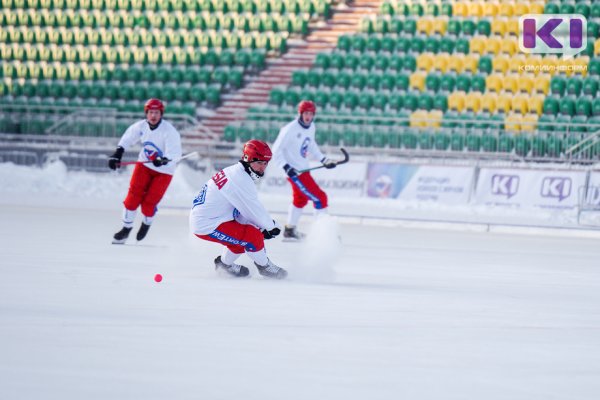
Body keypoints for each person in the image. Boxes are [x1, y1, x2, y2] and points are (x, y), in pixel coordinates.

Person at [189, 139, 287, 279]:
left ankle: (224, 265)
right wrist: (271, 227)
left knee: (242, 237)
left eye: (265, 163)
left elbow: (243, 211)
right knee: (252, 236)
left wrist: (262, 225)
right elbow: (253, 209)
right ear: (247, 159)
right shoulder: (240, 179)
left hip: (211, 219)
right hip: (207, 224)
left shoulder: (235, 172)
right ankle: (265, 267)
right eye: (259, 162)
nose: (263, 167)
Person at [108, 98, 182, 244]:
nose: (153, 116)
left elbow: (175, 153)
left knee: (149, 202)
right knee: (133, 196)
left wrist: (164, 159)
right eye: (150, 112)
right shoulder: (141, 126)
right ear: (146, 113)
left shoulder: (169, 131)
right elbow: (127, 138)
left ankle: (146, 224)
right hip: (144, 165)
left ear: (161, 114)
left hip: (164, 171)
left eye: (156, 112)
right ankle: (126, 229)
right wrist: (118, 154)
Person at [271, 100, 337, 240]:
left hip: (304, 169)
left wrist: (324, 160)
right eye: (306, 113)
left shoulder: (311, 126)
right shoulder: (289, 129)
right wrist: (286, 167)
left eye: (311, 114)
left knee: (300, 199)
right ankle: (323, 234)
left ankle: (290, 231)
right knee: (320, 197)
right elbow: (276, 150)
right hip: (295, 173)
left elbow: (311, 145)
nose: (308, 116)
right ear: (300, 113)